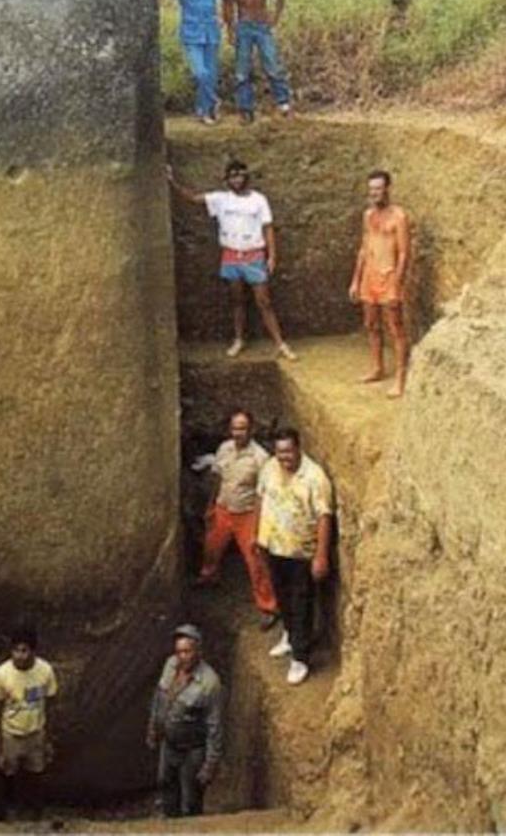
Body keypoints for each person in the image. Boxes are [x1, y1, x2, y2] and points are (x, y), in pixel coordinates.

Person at [167, 159, 297, 361]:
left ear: (246, 177)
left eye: (240, 175)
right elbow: (193, 198)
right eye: (232, 176)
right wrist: (171, 181)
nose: (237, 180)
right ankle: (239, 339)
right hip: (231, 255)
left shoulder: (258, 200)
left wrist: (272, 255)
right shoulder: (221, 199)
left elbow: (267, 227)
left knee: (264, 301)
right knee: (236, 300)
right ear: (226, 180)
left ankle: (280, 343)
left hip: (253, 255)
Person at [255, 427, 332, 686]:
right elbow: (260, 499)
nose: (283, 457)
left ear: (298, 448)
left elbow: (324, 517)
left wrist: (321, 556)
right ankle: (289, 635)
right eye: (279, 452)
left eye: (288, 451)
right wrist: (258, 536)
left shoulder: (314, 477)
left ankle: (300, 658)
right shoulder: (269, 468)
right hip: (274, 546)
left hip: (301, 552)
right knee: (282, 596)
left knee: (301, 603)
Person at [191, 409, 279, 628]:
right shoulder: (224, 448)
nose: (238, 432)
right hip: (223, 509)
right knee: (211, 546)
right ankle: (209, 577)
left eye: (242, 428)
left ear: (251, 430)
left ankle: (269, 606)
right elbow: (218, 478)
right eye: (234, 428)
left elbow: (265, 493)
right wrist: (211, 506)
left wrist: (260, 524)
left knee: (256, 561)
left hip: (247, 514)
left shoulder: (260, 458)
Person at [147, 623, 223, 818]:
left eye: (187, 651)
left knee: (192, 798)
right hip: (169, 744)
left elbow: (214, 726)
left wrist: (210, 765)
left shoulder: (209, 683)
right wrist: (153, 727)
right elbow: (159, 696)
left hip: (193, 750)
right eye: (179, 651)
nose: (182, 656)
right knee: (166, 786)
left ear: (198, 651)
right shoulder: (170, 664)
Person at [348, 169, 412, 398]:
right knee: (371, 324)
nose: (374, 193)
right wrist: (356, 280)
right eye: (371, 189)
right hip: (370, 276)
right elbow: (364, 249)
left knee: (396, 328)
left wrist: (397, 283)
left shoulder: (399, 217)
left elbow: (404, 253)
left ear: (387, 188)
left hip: (389, 276)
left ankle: (400, 379)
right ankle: (377, 367)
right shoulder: (368, 215)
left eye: (378, 188)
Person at [0, 624, 58, 820]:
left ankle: (35, 812)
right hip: (11, 733)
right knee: (6, 772)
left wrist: (48, 740)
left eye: (24, 650)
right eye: (16, 650)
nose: (19, 655)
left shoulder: (45, 671)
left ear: (33, 651)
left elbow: (51, 706)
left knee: (36, 773)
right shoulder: (1, 674)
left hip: (36, 732)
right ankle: (4, 813)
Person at [223, 0, 292, 123]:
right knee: (242, 71)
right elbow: (228, 4)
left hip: (262, 26)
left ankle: (283, 103)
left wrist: (275, 18)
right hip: (243, 27)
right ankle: (246, 109)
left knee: (272, 65)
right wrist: (230, 29)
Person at [156, 0, 226, 124]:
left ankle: (205, 111)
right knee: (200, 73)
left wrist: (224, 17)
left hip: (211, 32)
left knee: (210, 74)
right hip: (191, 33)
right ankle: (214, 101)